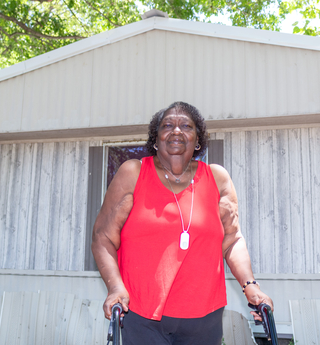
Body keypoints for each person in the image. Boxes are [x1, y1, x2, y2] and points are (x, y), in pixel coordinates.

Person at [92, 101, 273, 345]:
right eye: (167, 125)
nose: (176, 130)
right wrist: (115, 287)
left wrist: (250, 285)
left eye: (186, 125)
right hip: (142, 314)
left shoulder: (217, 178)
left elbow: (232, 239)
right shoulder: (132, 173)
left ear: (198, 139)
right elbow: (102, 237)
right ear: (155, 139)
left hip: (204, 317)